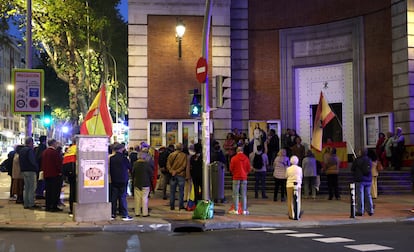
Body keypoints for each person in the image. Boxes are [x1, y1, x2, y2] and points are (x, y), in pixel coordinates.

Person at [109, 143, 133, 221]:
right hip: (123, 179)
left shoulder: (112, 158)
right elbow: (130, 167)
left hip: (114, 179)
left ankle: (113, 213)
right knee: (122, 197)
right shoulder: (124, 158)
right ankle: (124, 214)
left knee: (114, 197)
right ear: (121, 149)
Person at [42, 139, 63, 212]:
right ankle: (54, 206)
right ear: (53, 143)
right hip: (55, 174)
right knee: (55, 191)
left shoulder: (45, 152)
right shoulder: (54, 153)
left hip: (47, 174)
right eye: (56, 143)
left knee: (48, 191)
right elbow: (58, 164)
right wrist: (60, 171)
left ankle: (48, 206)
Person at [228, 146, 251, 215]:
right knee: (244, 194)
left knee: (235, 194)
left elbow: (231, 168)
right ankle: (244, 210)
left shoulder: (234, 158)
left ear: (237, 151)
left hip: (236, 177)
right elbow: (248, 168)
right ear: (242, 151)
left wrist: (234, 173)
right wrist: (245, 173)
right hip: (244, 177)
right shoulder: (246, 158)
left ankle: (236, 210)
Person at [351, 148, 374, 216]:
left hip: (360, 179)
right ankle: (370, 210)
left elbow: (352, 169)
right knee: (368, 195)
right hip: (368, 179)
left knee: (360, 195)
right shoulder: (369, 160)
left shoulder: (357, 160)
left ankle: (360, 210)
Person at [19, 137, 40, 209]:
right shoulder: (29, 150)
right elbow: (32, 161)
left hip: (24, 170)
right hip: (30, 170)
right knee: (32, 187)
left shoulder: (22, 150)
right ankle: (31, 203)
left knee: (26, 187)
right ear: (30, 142)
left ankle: (26, 203)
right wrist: (36, 167)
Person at [167, 143, 188, 210]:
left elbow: (168, 164)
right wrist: (177, 171)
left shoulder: (171, 155)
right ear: (181, 148)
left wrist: (172, 171)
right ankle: (180, 205)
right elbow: (184, 166)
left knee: (172, 191)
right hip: (180, 175)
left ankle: (172, 206)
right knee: (181, 191)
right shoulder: (184, 155)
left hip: (172, 175)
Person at [132, 152, 153, 217]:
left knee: (137, 198)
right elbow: (151, 173)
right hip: (146, 183)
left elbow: (133, 173)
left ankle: (137, 212)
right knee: (144, 198)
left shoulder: (135, 164)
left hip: (137, 183)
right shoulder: (147, 164)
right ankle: (145, 213)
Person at [62, 139, 77, 216]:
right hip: (75, 172)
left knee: (72, 191)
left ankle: (71, 209)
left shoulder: (69, 149)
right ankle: (74, 209)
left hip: (69, 172)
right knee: (75, 192)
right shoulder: (77, 148)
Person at [286, 155, 303, 219]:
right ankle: (297, 214)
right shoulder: (300, 169)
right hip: (298, 185)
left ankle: (291, 214)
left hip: (289, 184)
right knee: (298, 199)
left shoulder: (288, 169)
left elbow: (286, 175)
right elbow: (301, 176)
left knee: (290, 200)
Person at [35, 135, 47, 199]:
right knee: (41, 180)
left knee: (40, 180)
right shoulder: (43, 147)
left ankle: (39, 193)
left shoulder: (38, 147)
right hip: (41, 167)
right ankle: (39, 193)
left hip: (38, 166)